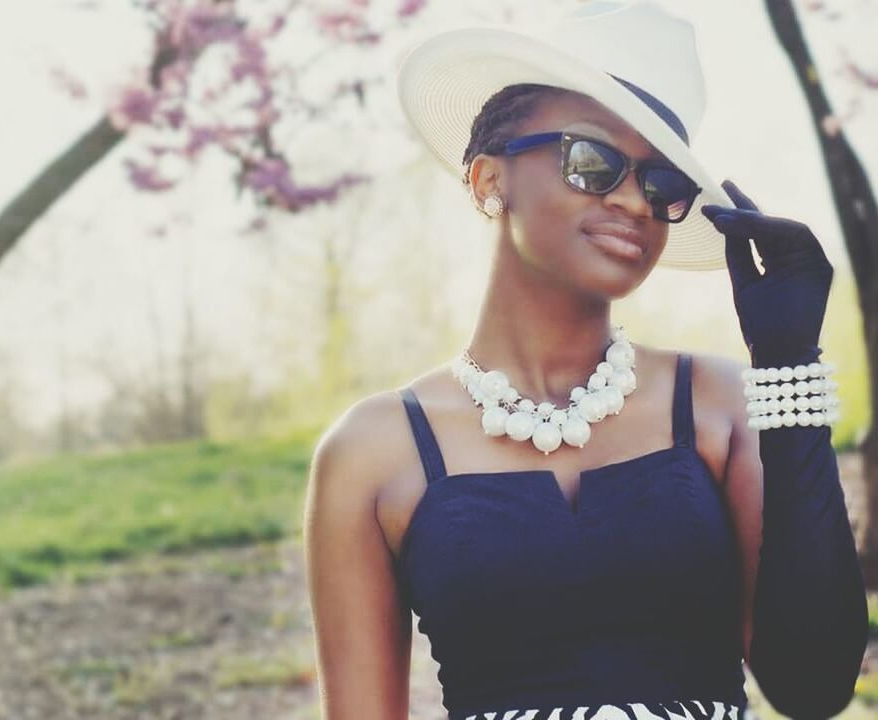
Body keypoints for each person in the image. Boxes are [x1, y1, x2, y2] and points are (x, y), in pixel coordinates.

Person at [303, 3, 870, 720]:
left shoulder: (721, 406)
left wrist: (789, 364)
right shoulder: (373, 453)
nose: (635, 200)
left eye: (664, 185)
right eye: (593, 161)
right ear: (487, 180)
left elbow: (814, 688)